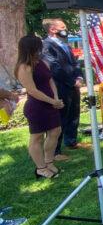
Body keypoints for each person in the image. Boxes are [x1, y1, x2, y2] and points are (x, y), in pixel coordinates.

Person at [15, 35, 64, 179]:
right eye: (38, 45)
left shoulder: (41, 62)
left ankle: (49, 161)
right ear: (31, 47)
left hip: (50, 104)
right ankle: (41, 169)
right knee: (37, 137)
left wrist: (55, 98)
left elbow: (50, 81)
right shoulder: (23, 67)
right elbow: (32, 91)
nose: (41, 47)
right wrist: (51, 101)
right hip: (37, 107)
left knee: (55, 131)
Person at [42, 18, 84, 161]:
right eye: (63, 27)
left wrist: (79, 78)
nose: (65, 29)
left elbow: (75, 62)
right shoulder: (46, 45)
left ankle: (71, 141)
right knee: (60, 118)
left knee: (73, 113)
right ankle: (55, 151)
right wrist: (72, 82)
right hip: (60, 87)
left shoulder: (66, 45)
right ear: (52, 29)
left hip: (73, 86)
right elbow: (54, 68)